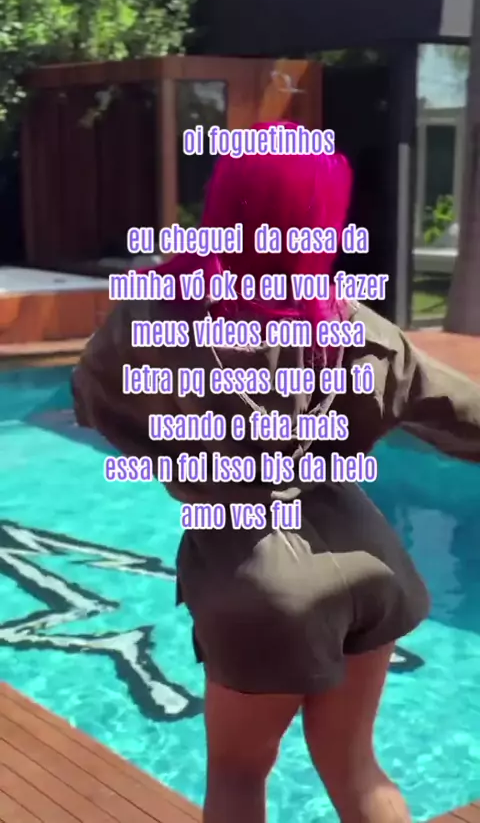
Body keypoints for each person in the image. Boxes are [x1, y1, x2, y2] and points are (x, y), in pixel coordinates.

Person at [72, 122, 480, 823]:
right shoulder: (356, 330)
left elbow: (95, 399)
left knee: (237, 775)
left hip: (258, 584)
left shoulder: (150, 316)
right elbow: (464, 415)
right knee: (354, 766)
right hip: (368, 562)